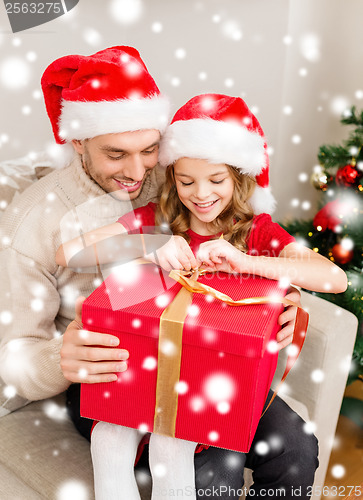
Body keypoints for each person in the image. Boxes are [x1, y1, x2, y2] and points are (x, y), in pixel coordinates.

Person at [0, 45, 307, 499]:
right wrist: (58, 358)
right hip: (110, 371)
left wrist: (286, 297)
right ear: (78, 141)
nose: (137, 170)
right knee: (213, 463)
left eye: (148, 149)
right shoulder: (33, 222)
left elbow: (243, 233)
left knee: (294, 449)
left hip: (206, 348)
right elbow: (13, 354)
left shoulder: (176, 177)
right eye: (116, 154)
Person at [56, 93, 347, 498]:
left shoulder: (258, 231)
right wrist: (145, 245)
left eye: (216, 180)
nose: (201, 194)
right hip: (152, 369)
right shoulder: (155, 218)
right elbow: (68, 254)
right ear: (172, 177)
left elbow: (334, 279)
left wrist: (247, 262)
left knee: (296, 448)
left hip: (225, 371)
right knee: (202, 467)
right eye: (186, 181)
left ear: (239, 177)